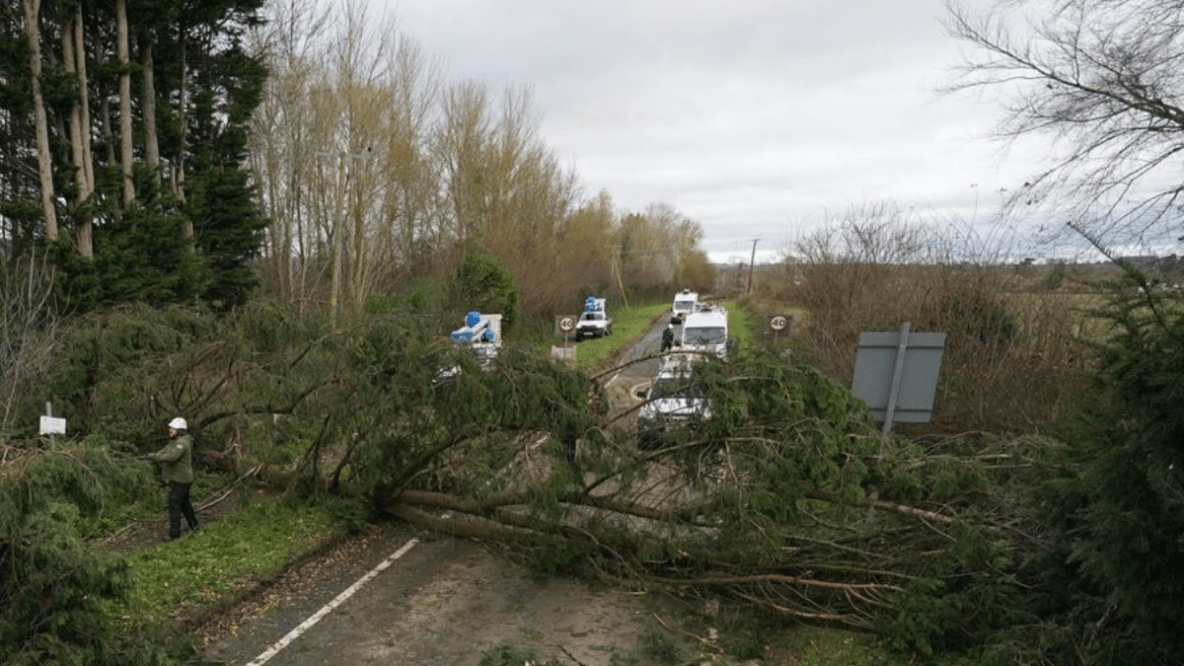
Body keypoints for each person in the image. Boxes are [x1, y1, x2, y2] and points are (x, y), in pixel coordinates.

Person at [146, 417, 199, 541]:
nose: (170, 430)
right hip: (181, 479)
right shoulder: (174, 442)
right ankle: (194, 526)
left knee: (174, 506)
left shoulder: (182, 444)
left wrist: (154, 457)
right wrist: (155, 455)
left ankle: (174, 534)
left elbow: (171, 457)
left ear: (180, 430)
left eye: (173, 429)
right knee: (184, 504)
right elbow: (163, 452)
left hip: (180, 480)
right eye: (170, 428)